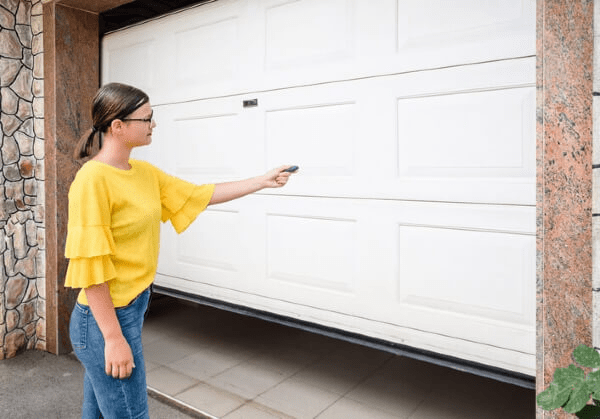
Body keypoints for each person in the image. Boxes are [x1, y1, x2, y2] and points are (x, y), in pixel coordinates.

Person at [64, 82, 296, 419]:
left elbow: (197, 194)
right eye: (147, 118)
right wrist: (113, 338)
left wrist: (260, 181)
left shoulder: (143, 173)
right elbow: (90, 267)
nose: (153, 124)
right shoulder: (92, 181)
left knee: (98, 414)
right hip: (104, 321)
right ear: (118, 126)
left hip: (129, 309)